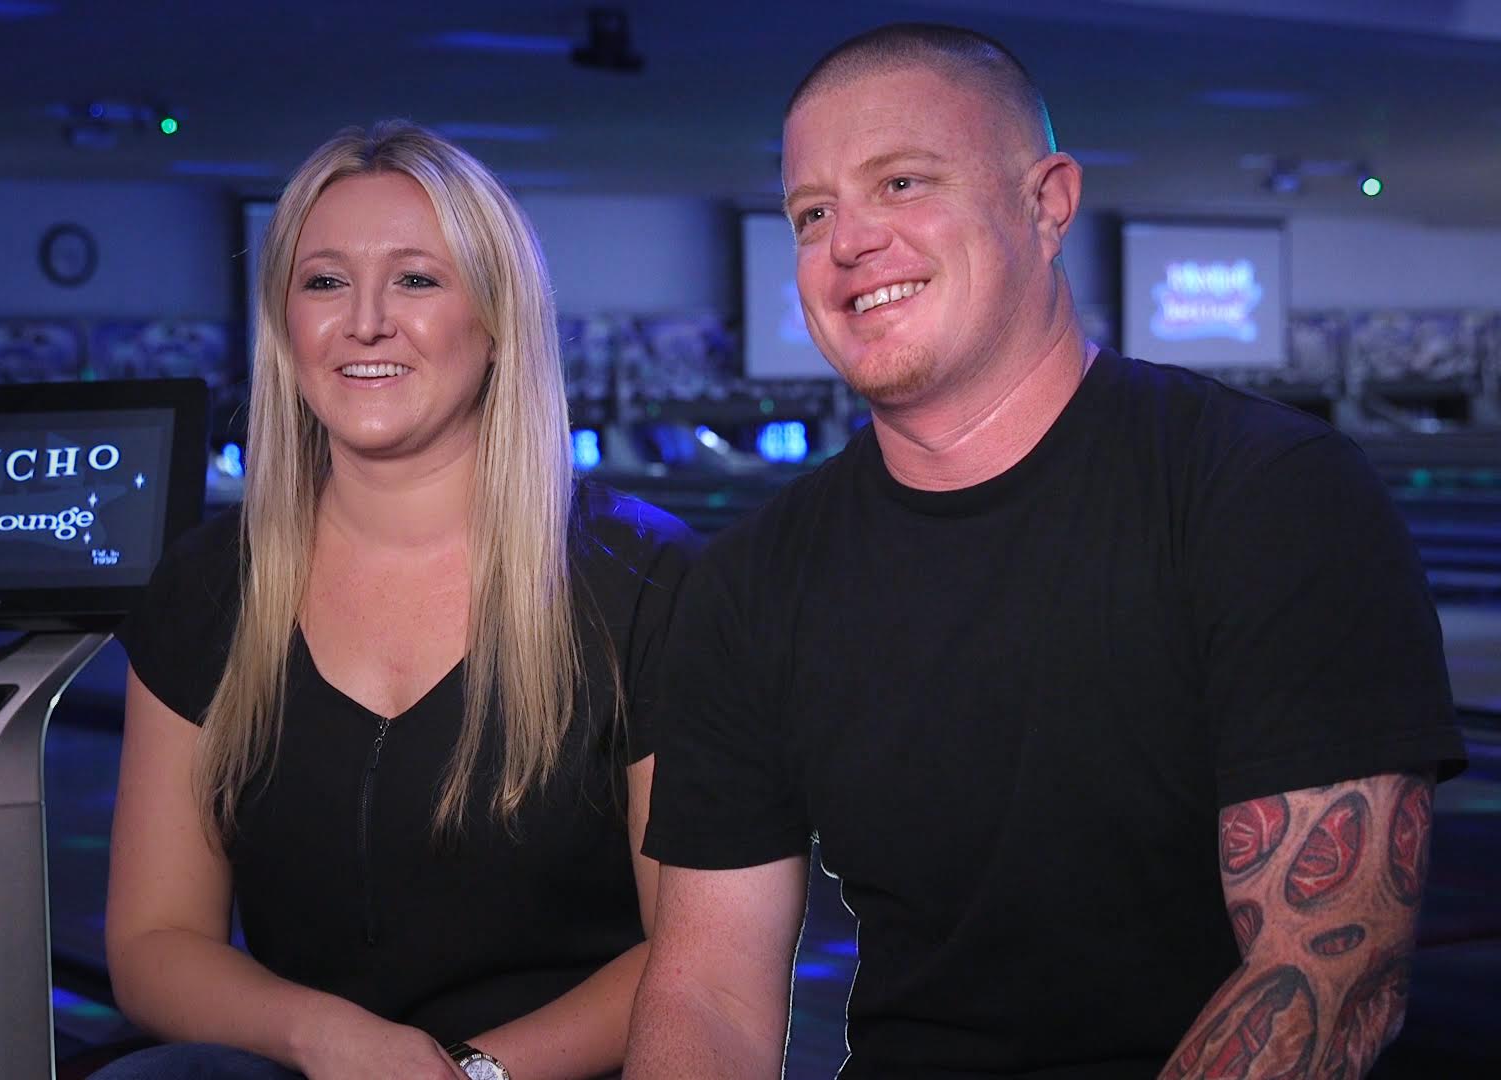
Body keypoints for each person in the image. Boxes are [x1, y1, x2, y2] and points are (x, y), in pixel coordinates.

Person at [626, 22, 1466, 1080]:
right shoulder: (752, 582)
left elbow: (1323, 978)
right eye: (812, 213)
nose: (848, 242)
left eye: (901, 183)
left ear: (1048, 203)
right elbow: (706, 993)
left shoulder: (1269, 494)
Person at [97, 122, 691, 1080]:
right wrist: (326, 1041)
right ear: (285, 325)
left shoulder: (645, 580)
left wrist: (466, 1075)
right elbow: (155, 941)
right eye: (324, 282)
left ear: (496, 321)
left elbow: (698, 952)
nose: (365, 322)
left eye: (416, 279)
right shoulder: (208, 586)